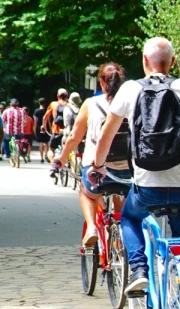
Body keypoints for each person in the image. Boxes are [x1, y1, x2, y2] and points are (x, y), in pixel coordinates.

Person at [87, 37, 180, 297]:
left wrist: (98, 166)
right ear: (173, 62)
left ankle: (138, 270)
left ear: (144, 61)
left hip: (147, 188)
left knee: (130, 218)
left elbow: (106, 136)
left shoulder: (130, 90)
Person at [54, 63, 132, 246]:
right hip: (127, 170)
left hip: (98, 169)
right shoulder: (131, 103)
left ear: (101, 82)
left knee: (86, 193)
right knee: (119, 197)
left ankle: (91, 228)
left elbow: (74, 137)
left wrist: (61, 159)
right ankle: (119, 239)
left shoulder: (91, 104)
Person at [42, 89, 69, 163]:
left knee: (51, 150)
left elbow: (45, 117)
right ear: (67, 96)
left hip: (56, 131)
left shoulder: (53, 104)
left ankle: (54, 165)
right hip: (68, 132)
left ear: (57, 96)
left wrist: (43, 127)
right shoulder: (70, 104)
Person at [34, 97, 50, 162]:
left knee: (40, 142)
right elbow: (48, 120)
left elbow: (35, 120)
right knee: (46, 142)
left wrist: (34, 129)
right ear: (45, 103)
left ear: (39, 103)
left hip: (39, 127)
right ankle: (46, 154)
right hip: (46, 127)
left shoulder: (36, 111)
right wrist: (50, 128)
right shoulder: (47, 110)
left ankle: (41, 157)